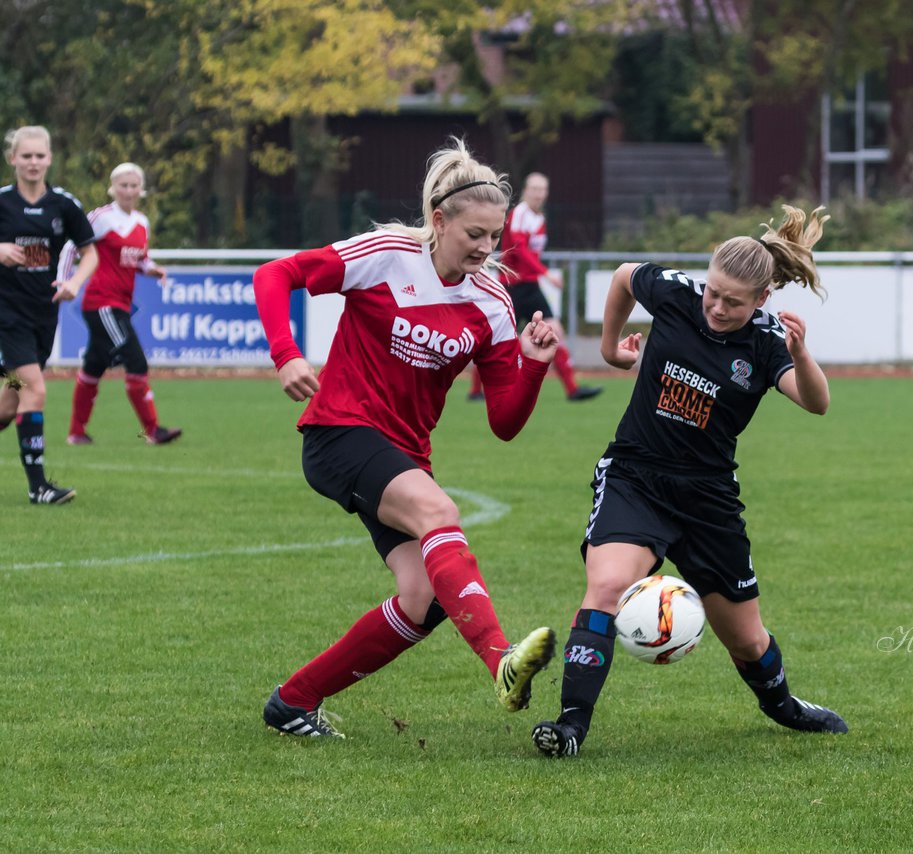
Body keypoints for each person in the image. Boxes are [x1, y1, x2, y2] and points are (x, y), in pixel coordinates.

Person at [253, 137, 557, 738]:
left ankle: (292, 702)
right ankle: (501, 661)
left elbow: (504, 424)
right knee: (439, 509)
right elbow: (275, 274)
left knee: (423, 600)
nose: (486, 247)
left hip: (401, 455)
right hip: (339, 432)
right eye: (474, 233)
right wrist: (285, 354)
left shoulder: (493, 302)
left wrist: (534, 364)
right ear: (439, 221)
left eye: (495, 236)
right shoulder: (389, 254)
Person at [531, 205, 848, 758]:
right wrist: (609, 349)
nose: (718, 308)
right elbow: (625, 274)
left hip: (708, 497)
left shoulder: (768, 342)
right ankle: (570, 727)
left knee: (748, 639)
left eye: (735, 302)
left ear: (761, 301)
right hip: (637, 476)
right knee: (605, 588)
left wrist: (802, 354)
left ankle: (784, 707)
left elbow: (816, 402)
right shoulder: (678, 293)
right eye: (714, 293)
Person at [0, 126, 98, 505]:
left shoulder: (63, 204)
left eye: (40, 155)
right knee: (35, 390)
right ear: (13, 160)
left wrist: (75, 282)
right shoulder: (3, 202)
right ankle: (38, 487)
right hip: (7, 315)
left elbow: (90, 252)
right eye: (26, 156)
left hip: (44, 313)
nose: (33, 162)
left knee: (11, 402)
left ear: (50, 159)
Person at [59, 162, 181, 446]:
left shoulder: (141, 222)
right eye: (122, 185)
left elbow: (139, 258)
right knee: (135, 359)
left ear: (141, 189)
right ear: (112, 188)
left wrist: (152, 269)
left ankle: (77, 433)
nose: (128, 190)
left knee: (93, 367)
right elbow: (70, 246)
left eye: (133, 185)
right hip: (101, 303)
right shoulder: (101, 217)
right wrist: (65, 280)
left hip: (121, 304)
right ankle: (153, 430)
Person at [468, 172, 601, 403]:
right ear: (526, 191)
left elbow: (531, 253)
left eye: (543, 190)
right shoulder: (519, 213)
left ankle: (572, 389)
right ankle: (475, 391)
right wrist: (546, 273)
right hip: (512, 286)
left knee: (554, 332)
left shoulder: (539, 219)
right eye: (534, 189)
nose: (539, 194)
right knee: (495, 339)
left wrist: (540, 275)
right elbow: (520, 249)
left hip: (530, 287)